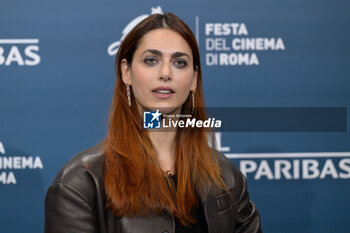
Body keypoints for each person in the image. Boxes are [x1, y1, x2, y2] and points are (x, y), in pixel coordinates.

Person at [44, 12, 262, 233]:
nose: (166, 73)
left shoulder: (226, 176)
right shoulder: (80, 184)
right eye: (151, 60)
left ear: (194, 79)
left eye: (179, 62)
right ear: (126, 72)